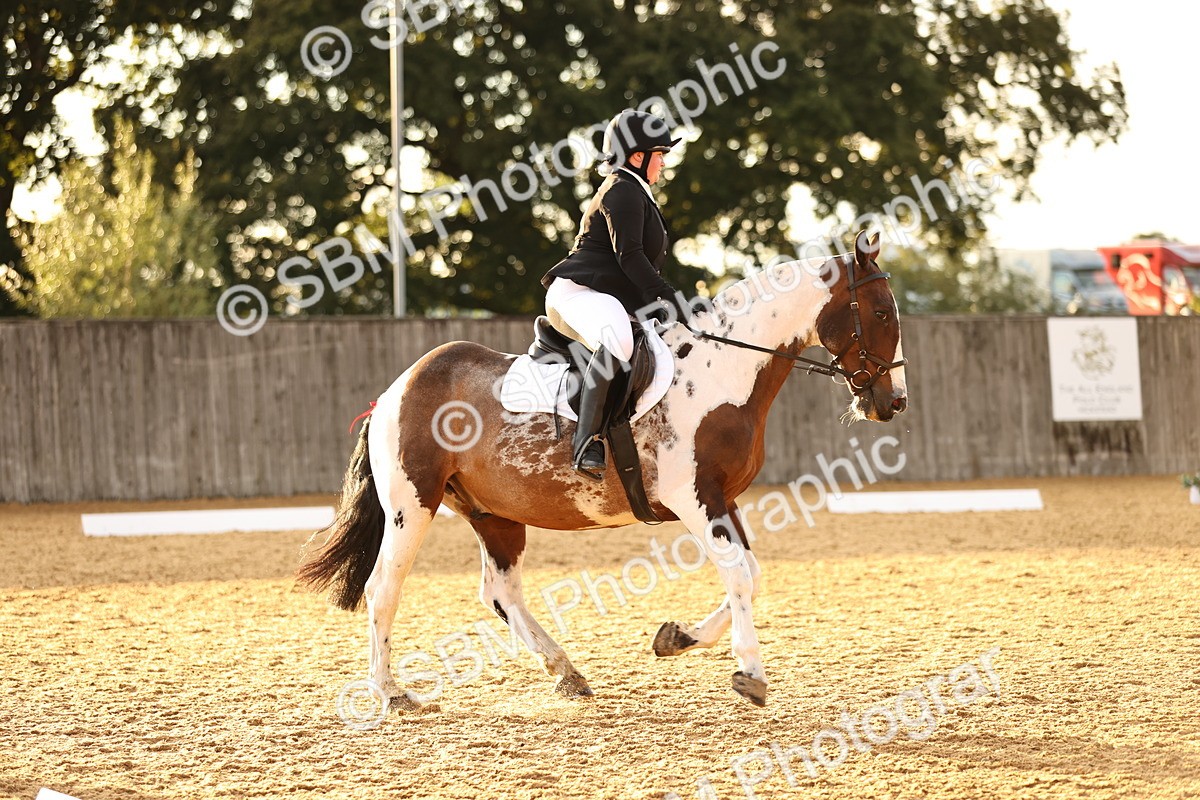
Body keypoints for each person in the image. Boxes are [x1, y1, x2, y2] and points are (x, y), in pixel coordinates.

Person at [540, 109, 690, 481]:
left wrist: (658, 303)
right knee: (618, 337)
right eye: (660, 154)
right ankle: (586, 443)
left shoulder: (637, 191)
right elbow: (631, 257)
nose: (664, 162)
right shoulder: (621, 190)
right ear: (637, 156)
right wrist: (667, 296)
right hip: (577, 293)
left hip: (604, 296)